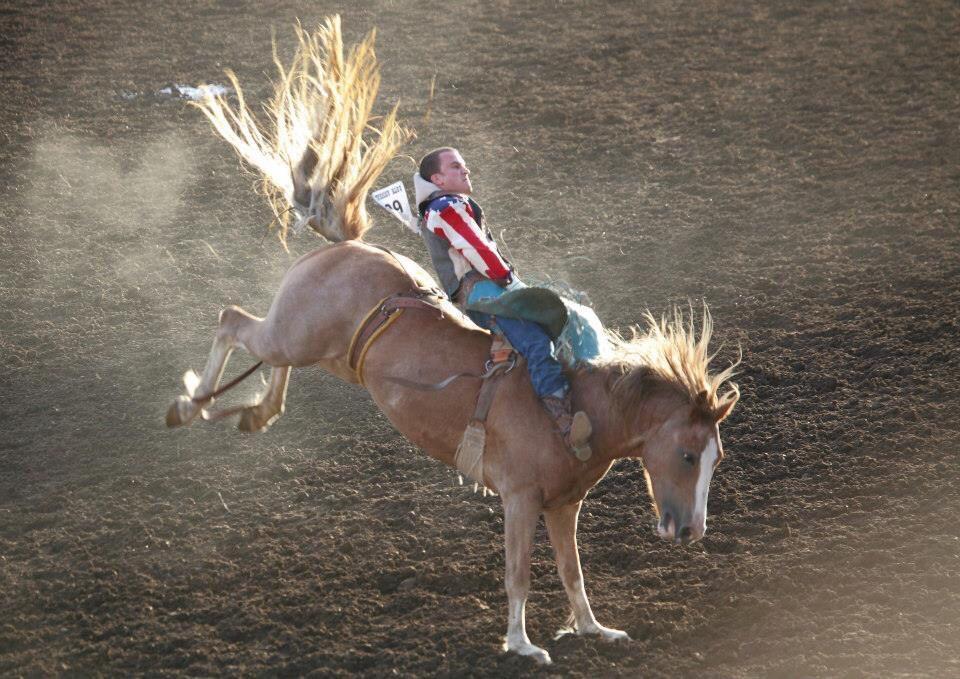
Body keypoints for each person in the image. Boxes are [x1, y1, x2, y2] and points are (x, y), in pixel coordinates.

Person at [413, 147, 592, 459]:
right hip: (482, 294)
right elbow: (477, 250)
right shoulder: (445, 207)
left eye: (464, 166)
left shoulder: (446, 206)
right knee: (536, 342)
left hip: (488, 287)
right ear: (438, 179)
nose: (465, 171)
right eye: (456, 167)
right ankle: (563, 422)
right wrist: (511, 281)